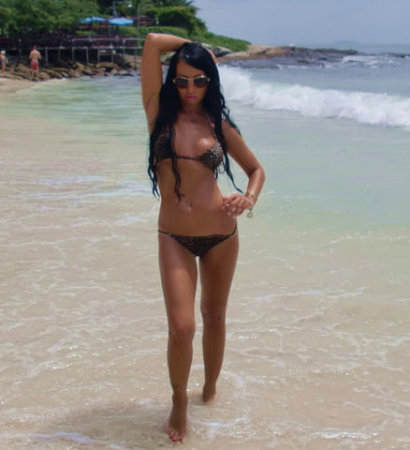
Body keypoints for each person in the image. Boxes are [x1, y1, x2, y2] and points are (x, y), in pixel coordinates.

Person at [141, 33, 265, 443]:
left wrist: (247, 199)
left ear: (210, 82)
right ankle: (179, 400)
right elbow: (152, 42)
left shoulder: (218, 125)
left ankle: (210, 389)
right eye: (181, 80)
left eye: (199, 80)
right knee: (182, 327)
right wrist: (197, 46)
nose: (190, 89)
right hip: (174, 236)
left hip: (221, 234)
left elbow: (256, 171)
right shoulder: (157, 113)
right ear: (171, 82)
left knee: (215, 317)